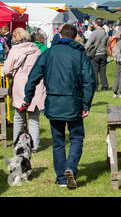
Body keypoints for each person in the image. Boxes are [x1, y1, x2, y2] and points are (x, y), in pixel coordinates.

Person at [22, 24, 96, 188]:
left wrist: (28, 97)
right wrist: (86, 104)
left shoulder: (48, 53)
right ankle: (70, 168)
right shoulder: (79, 54)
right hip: (73, 103)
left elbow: (33, 76)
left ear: (60, 36)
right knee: (76, 138)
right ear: (75, 37)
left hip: (54, 103)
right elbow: (90, 81)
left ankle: (62, 178)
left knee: (58, 142)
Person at [3, 28, 46, 153]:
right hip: (36, 86)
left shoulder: (14, 51)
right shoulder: (36, 50)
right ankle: (34, 146)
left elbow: (6, 70)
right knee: (34, 119)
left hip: (20, 87)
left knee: (19, 117)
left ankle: (17, 143)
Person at [85, 18, 109, 91]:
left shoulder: (94, 33)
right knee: (102, 71)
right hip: (103, 53)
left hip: (95, 54)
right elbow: (106, 43)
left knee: (95, 71)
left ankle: (95, 87)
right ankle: (104, 86)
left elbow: (87, 44)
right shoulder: (105, 32)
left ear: (96, 24)